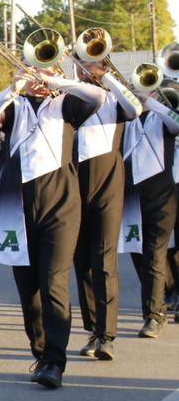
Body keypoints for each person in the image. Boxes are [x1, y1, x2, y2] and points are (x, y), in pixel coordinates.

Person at [0, 67, 104, 389]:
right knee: (28, 291)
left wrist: (57, 82)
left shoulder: (65, 103)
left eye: (45, 70)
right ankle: (39, 351)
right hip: (17, 207)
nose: (38, 78)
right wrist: (12, 88)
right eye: (33, 70)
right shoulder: (15, 107)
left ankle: (54, 361)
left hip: (61, 205)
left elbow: (99, 96)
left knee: (53, 283)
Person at [71, 59, 141, 360]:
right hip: (74, 186)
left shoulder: (115, 97)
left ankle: (107, 335)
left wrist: (107, 77)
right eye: (81, 63)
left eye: (91, 63)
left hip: (108, 186)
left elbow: (135, 107)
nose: (86, 68)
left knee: (103, 259)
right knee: (81, 260)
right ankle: (93, 329)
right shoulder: (69, 98)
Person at [123, 86, 179, 338]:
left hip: (162, 197)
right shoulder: (125, 119)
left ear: (155, 94)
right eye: (133, 90)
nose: (137, 95)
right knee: (139, 254)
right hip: (131, 198)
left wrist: (152, 103)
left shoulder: (162, 118)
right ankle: (161, 301)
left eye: (142, 90)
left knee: (155, 252)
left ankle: (153, 316)